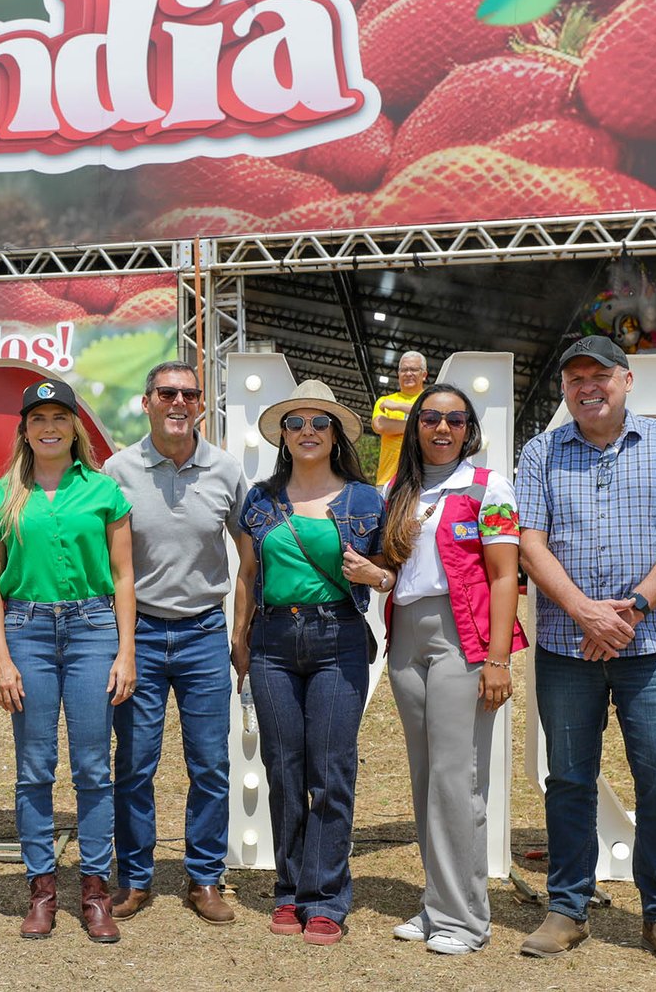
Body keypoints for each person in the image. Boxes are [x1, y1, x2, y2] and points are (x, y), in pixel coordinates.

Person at [514, 335, 656, 970]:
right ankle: (567, 907)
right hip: (566, 644)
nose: (586, 386)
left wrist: (632, 607)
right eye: (574, 378)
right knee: (569, 779)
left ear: (627, 381)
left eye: (599, 375)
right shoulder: (540, 452)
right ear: (565, 390)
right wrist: (583, 611)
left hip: (651, 641)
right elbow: (529, 542)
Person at [0, 379, 136, 943]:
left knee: (95, 768)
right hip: (27, 631)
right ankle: (41, 890)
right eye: (38, 417)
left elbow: (122, 577)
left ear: (76, 427)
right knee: (34, 768)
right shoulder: (3, 496)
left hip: (94, 630)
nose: (49, 427)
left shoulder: (103, 491)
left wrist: (126, 651)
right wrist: (1, 657)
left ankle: (94, 892)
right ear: (24, 428)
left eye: (60, 417)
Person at [233, 379, 388, 946]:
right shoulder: (260, 499)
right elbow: (248, 576)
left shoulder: (367, 500)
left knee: (330, 771)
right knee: (283, 769)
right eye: (295, 423)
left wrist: (380, 577)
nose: (307, 432)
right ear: (282, 435)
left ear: (336, 434)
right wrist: (239, 638)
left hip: (338, 638)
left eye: (319, 423)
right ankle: (288, 888)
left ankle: (324, 897)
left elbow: (392, 569)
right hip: (272, 639)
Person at [103, 360, 251, 925]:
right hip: (137, 634)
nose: (179, 402)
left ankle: (205, 877)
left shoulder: (225, 470)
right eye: (167, 393)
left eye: (190, 394)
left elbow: (248, 556)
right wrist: (119, 644)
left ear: (202, 406)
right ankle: (135, 878)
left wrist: (240, 631)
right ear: (147, 402)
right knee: (136, 764)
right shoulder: (117, 471)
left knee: (210, 763)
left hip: (203, 634)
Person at [379, 384, 526, 955]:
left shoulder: (489, 487)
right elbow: (398, 573)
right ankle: (437, 903)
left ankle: (465, 921)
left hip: (463, 641)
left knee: (456, 779)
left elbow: (504, 576)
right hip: (406, 637)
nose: (443, 428)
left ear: (469, 429)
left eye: (455, 419)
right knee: (426, 779)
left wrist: (496, 658)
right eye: (432, 418)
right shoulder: (399, 490)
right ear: (415, 425)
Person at [371, 351, 428, 486]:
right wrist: (418, 423)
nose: (408, 373)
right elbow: (379, 426)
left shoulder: (431, 398)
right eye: (404, 370)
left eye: (414, 369)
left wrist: (397, 406)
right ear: (398, 374)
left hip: (422, 481)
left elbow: (433, 413)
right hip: (387, 480)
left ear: (424, 375)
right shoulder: (384, 400)